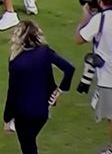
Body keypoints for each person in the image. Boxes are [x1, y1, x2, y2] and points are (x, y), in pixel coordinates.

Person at [4, 20, 75, 154]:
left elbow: (12, 93)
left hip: (23, 114)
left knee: (28, 147)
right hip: (42, 112)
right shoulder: (45, 52)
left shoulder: (16, 62)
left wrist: (7, 118)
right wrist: (59, 90)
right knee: (30, 144)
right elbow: (69, 69)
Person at [75, 0, 112, 153]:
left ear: (101, 2)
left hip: (108, 78)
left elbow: (79, 39)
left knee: (111, 117)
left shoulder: (100, 19)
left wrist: (85, 17)